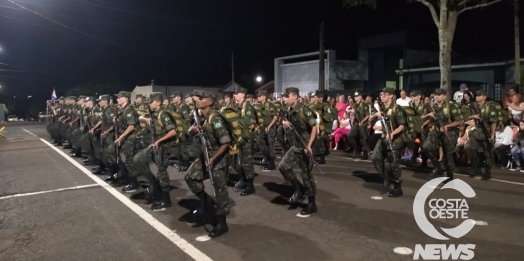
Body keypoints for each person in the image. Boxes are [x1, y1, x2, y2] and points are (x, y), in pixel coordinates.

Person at [185, 90, 232, 237]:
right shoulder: (200, 117)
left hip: (217, 158)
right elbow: (189, 131)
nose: (197, 100)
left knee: (219, 190)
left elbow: (226, 143)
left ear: (210, 102)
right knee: (190, 177)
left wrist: (213, 158)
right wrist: (193, 130)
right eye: (197, 98)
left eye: (201, 98)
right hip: (204, 156)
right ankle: (206, 203)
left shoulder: (215, 119)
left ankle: (221, 222)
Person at [279, 87, 318, 216]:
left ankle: (312, 203)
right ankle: (298, 188)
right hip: (296, 146)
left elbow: (314, 127)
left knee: (306, 174)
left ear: (295, 96)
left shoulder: (304, 109)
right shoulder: (289, 110)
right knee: (283, 166)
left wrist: (310, 146)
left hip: (307, 146)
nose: (285, 99)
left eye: (287, 96)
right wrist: (286, 123)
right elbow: (291, 123)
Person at [422, 88, 462, 184]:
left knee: (448, 154)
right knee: (426, 147)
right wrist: (428, 115)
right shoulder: (432, 106)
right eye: (435, 94)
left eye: (439, 95)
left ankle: (449, 176)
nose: (436, 96)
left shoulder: (451, 106)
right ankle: (437, 166)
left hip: (450, 132)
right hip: (436, 131)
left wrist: (447, 126)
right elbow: (422, 117)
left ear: (444, 96)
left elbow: (459, 121)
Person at [371, 87, 405, 197]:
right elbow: (371, 120)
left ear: (391, 96)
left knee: (393, 163)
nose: (382, 96)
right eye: (381, 95)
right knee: (375, 157)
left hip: (395, 140)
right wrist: (376, 115)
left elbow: (402, 125)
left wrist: (392, 133)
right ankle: (386, 178)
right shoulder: (383, 109)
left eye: (385, 94)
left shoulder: (396, 108)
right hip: (384, 137)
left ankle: (397, 187)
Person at [465, 90, 497, 180]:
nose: (477, 97)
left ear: (484, 97)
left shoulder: (490, 107)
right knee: (469, 148)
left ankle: (487, 172)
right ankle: (475, 166)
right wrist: (473, 117)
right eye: (476, 96)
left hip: (487, 131)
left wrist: (492, 134)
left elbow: (493, 121)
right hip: (477, 131)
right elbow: (464, 116)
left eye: (480, 96)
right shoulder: (473, 106)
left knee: (488, 153)